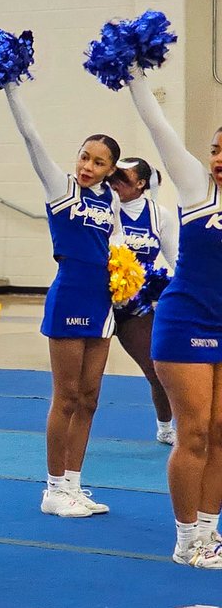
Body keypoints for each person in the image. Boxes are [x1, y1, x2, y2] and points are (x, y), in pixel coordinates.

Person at [2, 82, 120, 518]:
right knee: (66, 395)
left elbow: (120, 240)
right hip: (70, 294)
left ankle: (73, 483)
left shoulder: (110, 200)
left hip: (103, 301)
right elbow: (32, 139)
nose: (88, 166)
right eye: (84, 156)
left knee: (90, 396)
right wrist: (12, 89)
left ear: (111, 170)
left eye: (99, 162)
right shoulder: (61, 188)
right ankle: (52, 488)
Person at [124, 74, 222, 569]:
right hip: (185, 322)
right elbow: (157, 125)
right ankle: (186, 539)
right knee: (196, 433)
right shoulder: (196, 188)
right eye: (215, 148)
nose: (218, 158)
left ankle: (210, 532)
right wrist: (134, 75)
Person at [107, 157, 179, 445]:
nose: (114, 184)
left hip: (134, 306)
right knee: (85, 380)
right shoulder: (104, 208)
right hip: (98, 299)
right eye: (112, 178)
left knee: (156, 368)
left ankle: (165, 427)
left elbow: (176, 259)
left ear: (140, 184)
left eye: (122, 179)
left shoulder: (159, 215)